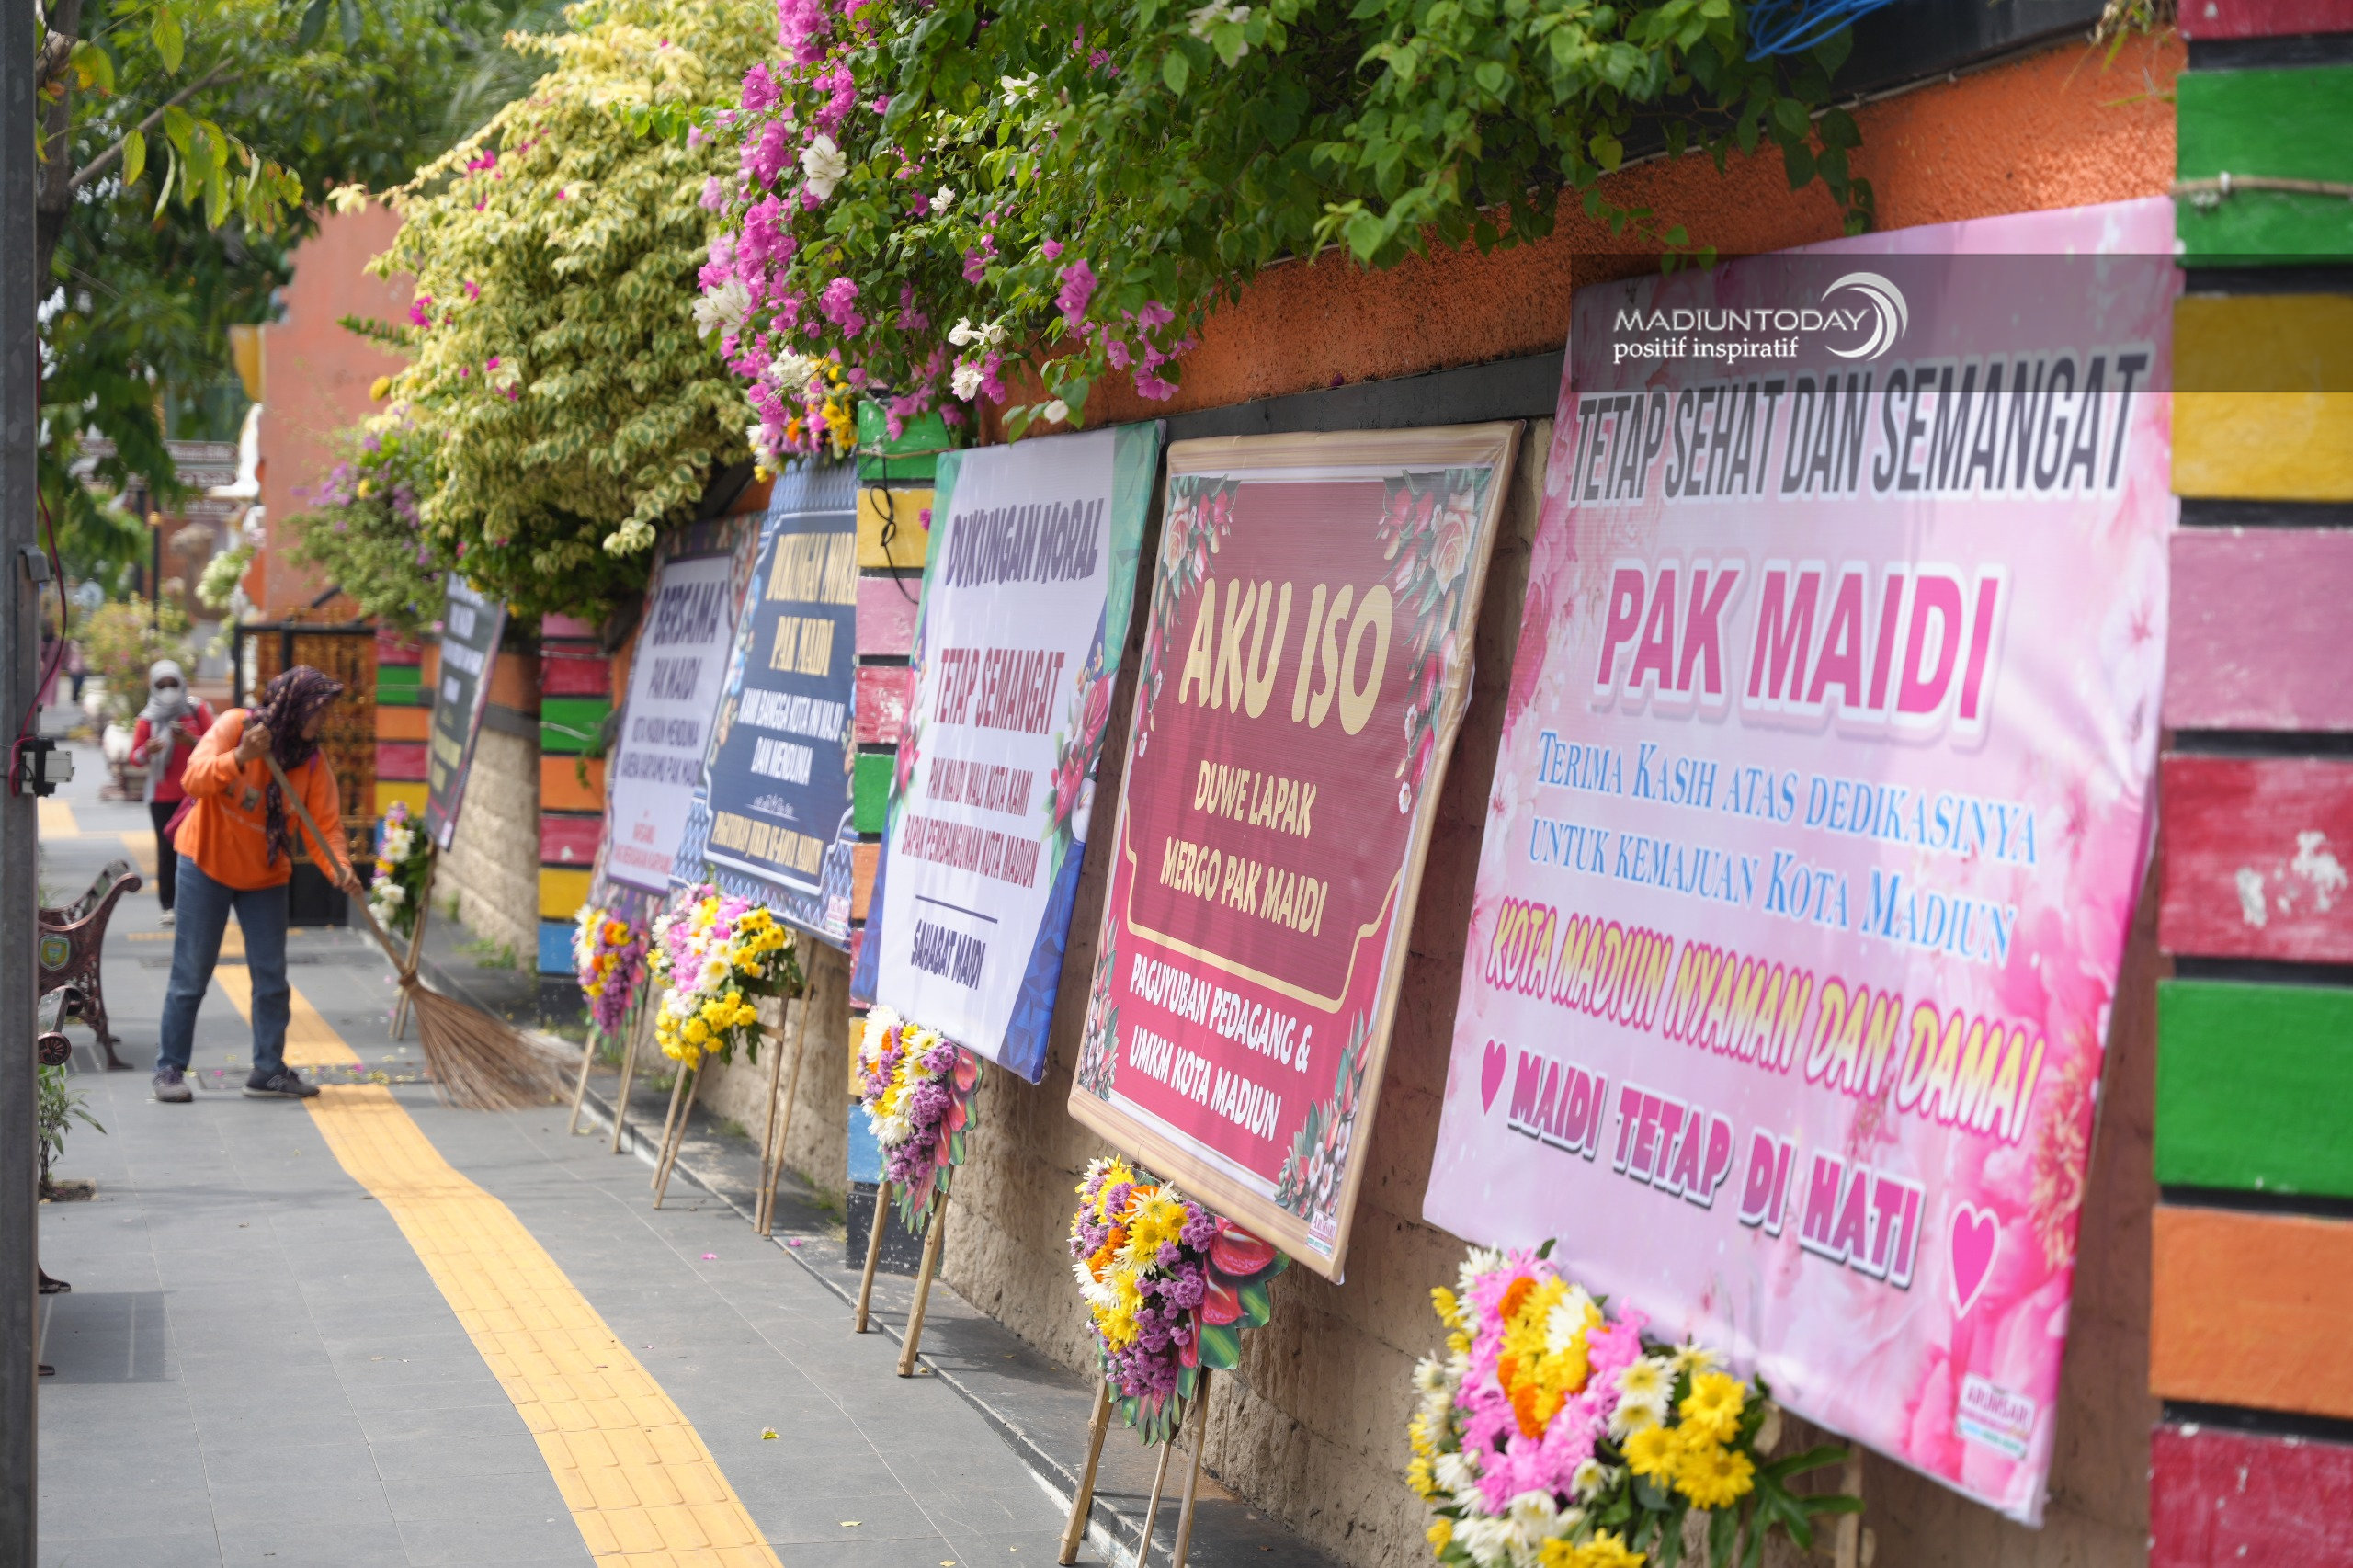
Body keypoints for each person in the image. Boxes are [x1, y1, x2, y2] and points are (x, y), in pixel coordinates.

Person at [153, 667, 360, 1104]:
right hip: (205, 862)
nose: (322, 720)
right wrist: (240, 757)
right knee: (191, 974)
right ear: (294, 707)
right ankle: (169, 1068)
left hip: (265, 874)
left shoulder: (310, 762)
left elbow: (324, 827)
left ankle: (268, 1070)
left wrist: (339, 867)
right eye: (318, 711)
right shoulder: (236, 726)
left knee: (271, 978)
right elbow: (193, 779)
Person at [127, 659, 216, 925]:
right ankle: (169, 905)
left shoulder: (197, 710)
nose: (168, 689)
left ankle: (199, 902)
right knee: (167, 850)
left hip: (195, 793)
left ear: (182, 683)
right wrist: (147, 751)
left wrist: (191, 741)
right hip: (162, 796)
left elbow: (215, 747)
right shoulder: (147, 719)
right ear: (153, 687)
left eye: (173, 683)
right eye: (162, 684)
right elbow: (135, 758)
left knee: (199, 847)